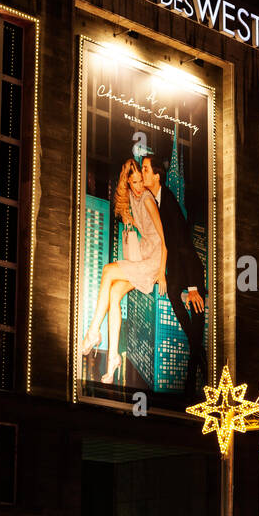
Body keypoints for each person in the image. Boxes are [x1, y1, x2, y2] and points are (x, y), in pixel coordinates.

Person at [79, 159, 166, 384]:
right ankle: (113, 361)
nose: (139, 186)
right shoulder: (132, 199)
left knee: (108, 271)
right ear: (127, 181)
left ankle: (93, 331)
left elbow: (164, 239)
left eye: (140, 181)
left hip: (154, 260)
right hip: (144, 257)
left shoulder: (147, 200)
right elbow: (144, 229)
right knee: (114, 295)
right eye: (134, 182)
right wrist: (131, 222)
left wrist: (162, 272)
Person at [140, 154, 207, 398]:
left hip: (190, 270)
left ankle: (197, 377)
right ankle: (199, 368)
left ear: (157, 176)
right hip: (178, 268)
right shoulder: (155, 200)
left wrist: (192, 287)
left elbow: (183, 244)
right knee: (172, 295)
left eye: (146, 169)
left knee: (196, 327)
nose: (143, 173)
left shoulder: (166, 200)